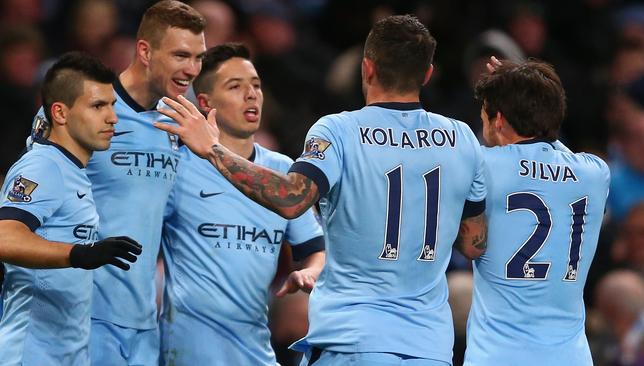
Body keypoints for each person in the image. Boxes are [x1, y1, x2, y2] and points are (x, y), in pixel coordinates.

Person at [157, 15, 487, 366]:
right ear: (427, 75)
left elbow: (292, 198)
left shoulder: (339, 131)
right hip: (428, 348)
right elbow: (473, 243)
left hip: (351, 342)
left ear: (367, 68)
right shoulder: (462, 139)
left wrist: (213, 150)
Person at [31, 2, 206, 365]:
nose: (192, 70)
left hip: (143, 321)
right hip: (78, 315)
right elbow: (30, 199)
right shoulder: (83, 106)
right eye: (180, 55)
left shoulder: (183, 123)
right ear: (145, 51)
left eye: (198, 57)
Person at [159, 43, 325, 365]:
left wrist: (310, 272)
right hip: (186, 353)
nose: (252, 94)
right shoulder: (177, 167)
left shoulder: (282, 170)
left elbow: (314, 249)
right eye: (235, 86)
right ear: (206, 103)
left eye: (256, 85)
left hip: (255, 350)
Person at [463, 59, 610, 365]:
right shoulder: (595, 173)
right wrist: (535, 100)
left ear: (498, 120)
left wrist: (515, 87)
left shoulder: (483, 165)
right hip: (571, 357)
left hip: (498, 356)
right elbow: (550, 147)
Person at [0, 52, 142, 366]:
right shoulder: (42, 166)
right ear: (60, 113)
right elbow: (4, 238)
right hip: (29, 354)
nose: (113, 118)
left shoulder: (71, 170)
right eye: (97, 106)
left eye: (112, 105)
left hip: (65, 353)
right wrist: (77, 253)